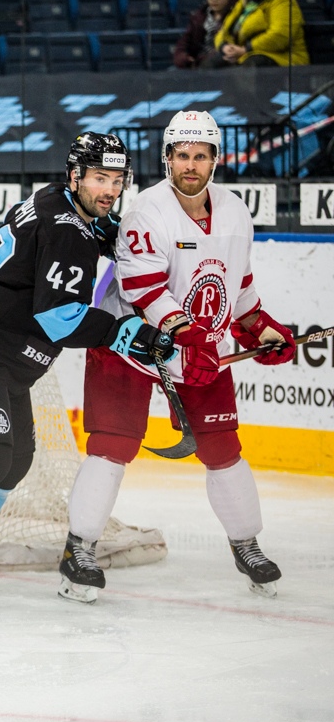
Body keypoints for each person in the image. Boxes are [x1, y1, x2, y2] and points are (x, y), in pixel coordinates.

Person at [0, 133, 177, 608]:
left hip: (3, 346)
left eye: (116, 180)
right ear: (75, 177)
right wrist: (131, 333)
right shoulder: (66, 227)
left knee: (15, 459)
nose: (109, 189)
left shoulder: (68, 208)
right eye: (99, 178)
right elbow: (59, 318)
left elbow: (95, 239)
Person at [59, 110, 296, 603]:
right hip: (129, 343)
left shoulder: (235, 212)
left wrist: (260, 327)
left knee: (221, 446)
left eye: (201, 156)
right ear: (168, 158)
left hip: (198, 346)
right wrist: (192, 338)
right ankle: (79, 548)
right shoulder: (148, 210)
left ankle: (247, 545)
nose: (191, 164)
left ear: (215, 160)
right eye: (182, 155)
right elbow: (143, 288)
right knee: (112, 445)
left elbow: (239, 285)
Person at [211, 0, 308, 68]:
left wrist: (246, 49)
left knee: (252, 64)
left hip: (282, 57)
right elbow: (223, 31)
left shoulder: (284, 1)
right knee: (212, 63)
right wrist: (224, 47)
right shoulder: (243, 3)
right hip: (244, 54)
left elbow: (280, 35)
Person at [173, 0, 238, 69]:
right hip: (198, 62)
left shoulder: (237, 15)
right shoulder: (199, 17)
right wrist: (183, 57)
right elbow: (184, 42)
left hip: (222, 64)